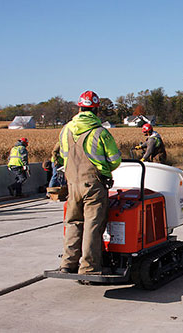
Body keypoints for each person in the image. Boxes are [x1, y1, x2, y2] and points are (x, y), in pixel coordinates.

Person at [58, 90, 121, 275]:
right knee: (92, 225)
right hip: (93, 185)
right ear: (96, 110)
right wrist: (104, 169)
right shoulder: (101, 132)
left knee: (72, 223)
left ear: (79, 108)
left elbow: (63, 156)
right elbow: (115, 159)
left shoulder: (65, 130)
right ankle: (89, 267)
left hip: (72, 184)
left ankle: (68, 264)